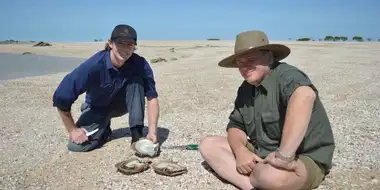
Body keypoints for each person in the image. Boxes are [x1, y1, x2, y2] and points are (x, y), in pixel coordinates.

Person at [199, 30, 335, 190]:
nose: (245, 67)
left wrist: (284, 157)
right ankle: (252, 186)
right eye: (240, 62)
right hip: (262, 153)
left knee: (270, 176)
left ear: (269, 57)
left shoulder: (287, 76)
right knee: (208, 145)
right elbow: (236, 126)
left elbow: (305, 95)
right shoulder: (245, 89)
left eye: (251, 59)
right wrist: (241, 151)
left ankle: (260, 178)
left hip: (302, 158)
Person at [52, 24, 160, 152]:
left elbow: (152, 97)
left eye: (129, 45)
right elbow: (61, 98)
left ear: (134, 47)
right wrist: (73, 129)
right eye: (120, 43)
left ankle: (136, 136)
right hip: (97, 107)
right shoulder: (93, 66)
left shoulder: (140, 64)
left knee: (136, 81)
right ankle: (104, 131)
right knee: (76, 146)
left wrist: (152, 132)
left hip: (122, 105)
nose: (125, 49)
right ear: (110, 43)